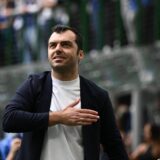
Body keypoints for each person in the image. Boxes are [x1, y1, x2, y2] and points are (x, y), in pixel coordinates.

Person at [2, 24, 129, 160]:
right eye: (53, 45)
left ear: (80, 54)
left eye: (65, 45)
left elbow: (114, 147)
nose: (58, 49)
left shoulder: (97, 96)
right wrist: (59, 117)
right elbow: (9, 119)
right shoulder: (34, 84)